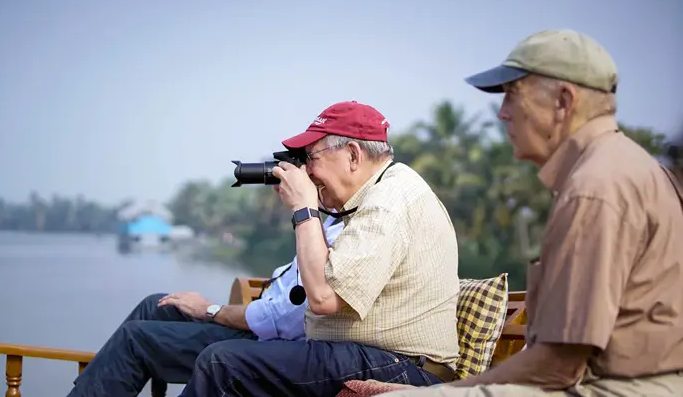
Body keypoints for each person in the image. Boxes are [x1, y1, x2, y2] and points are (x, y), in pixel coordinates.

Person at [380, 29, 683, 396]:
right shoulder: (622, 167)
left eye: (513, 95)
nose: (503, 113)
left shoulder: (596, 187)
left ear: (564, 101)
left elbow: (557, 367)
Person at [177, 101, 461, 396]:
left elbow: (324, 297)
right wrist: (312, 206)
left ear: (352, 154)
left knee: (222, 362)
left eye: (310, 157)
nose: (307, 171)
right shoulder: (377, 197)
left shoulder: (389, 201)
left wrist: (304, 206)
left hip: (402, 367)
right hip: (379, 358)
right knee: (234, 357)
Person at [64, 214, 344, 397]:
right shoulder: (326, 221)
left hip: (270, 340)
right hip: (260, 323)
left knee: (134, 340)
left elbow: (284, 319)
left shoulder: (344, 230)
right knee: (156, 305)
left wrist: (211, 311)